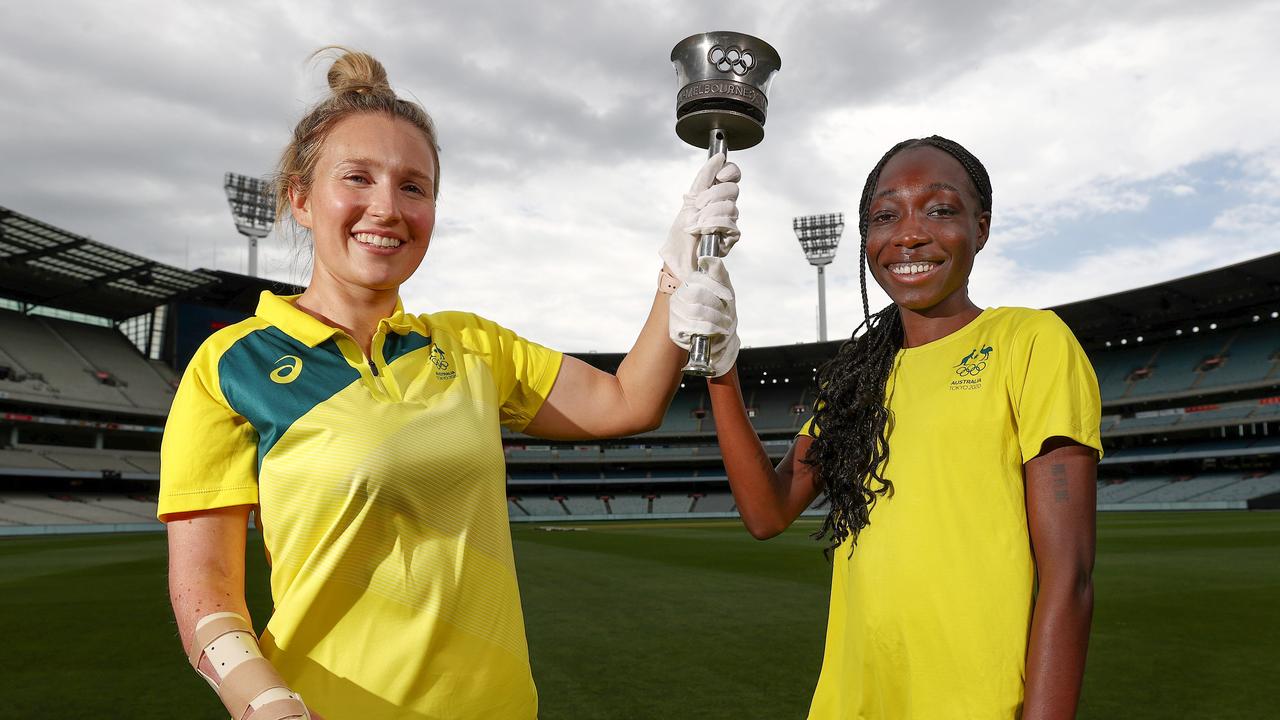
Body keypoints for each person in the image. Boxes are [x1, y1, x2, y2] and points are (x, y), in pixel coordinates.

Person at [159, 47, 741, 720]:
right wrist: (262, 702)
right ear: (300, 199)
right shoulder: (231, 366)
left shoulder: (471, 344)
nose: (388, 208)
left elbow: (627, 402)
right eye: (357, 178)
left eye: (414, 187)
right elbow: (205, 595)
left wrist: (678, 270)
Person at [706, 136, 1102, 719]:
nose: (910, 234)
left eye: (940, 209)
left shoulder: (1030, 341)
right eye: (886, 216)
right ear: (867, 239)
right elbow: (767, 512)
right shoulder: (855, 383)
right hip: (850, 704)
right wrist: (720, 368)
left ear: (981, 227)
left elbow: (1069, 576)